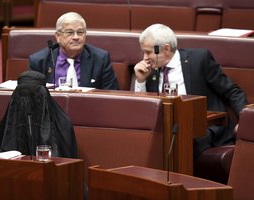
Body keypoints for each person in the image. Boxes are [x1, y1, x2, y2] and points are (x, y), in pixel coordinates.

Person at [133, 23, 247, 159]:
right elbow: (142, 109)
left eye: (148, 52)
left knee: (180, 141)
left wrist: (246, 121)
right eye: (143, 52)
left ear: (166, 48)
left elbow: (231, 91)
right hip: (166, 129)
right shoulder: (150, 71)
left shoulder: (199, 60)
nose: (144, 57)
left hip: (203, 128)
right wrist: (140, 81)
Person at [28, 12, 119, 90]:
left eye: (80, 32)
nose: (76, 37)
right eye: (69, 32)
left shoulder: (100, 59)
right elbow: (30, 96)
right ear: (58, 36)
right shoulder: (39, 61)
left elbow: (112, 94)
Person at [0, 71, 77, 159]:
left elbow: (68, 163)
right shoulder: (6, 124)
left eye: (33, 95)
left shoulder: (62, 125)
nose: (27, 101)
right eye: (22, 94)